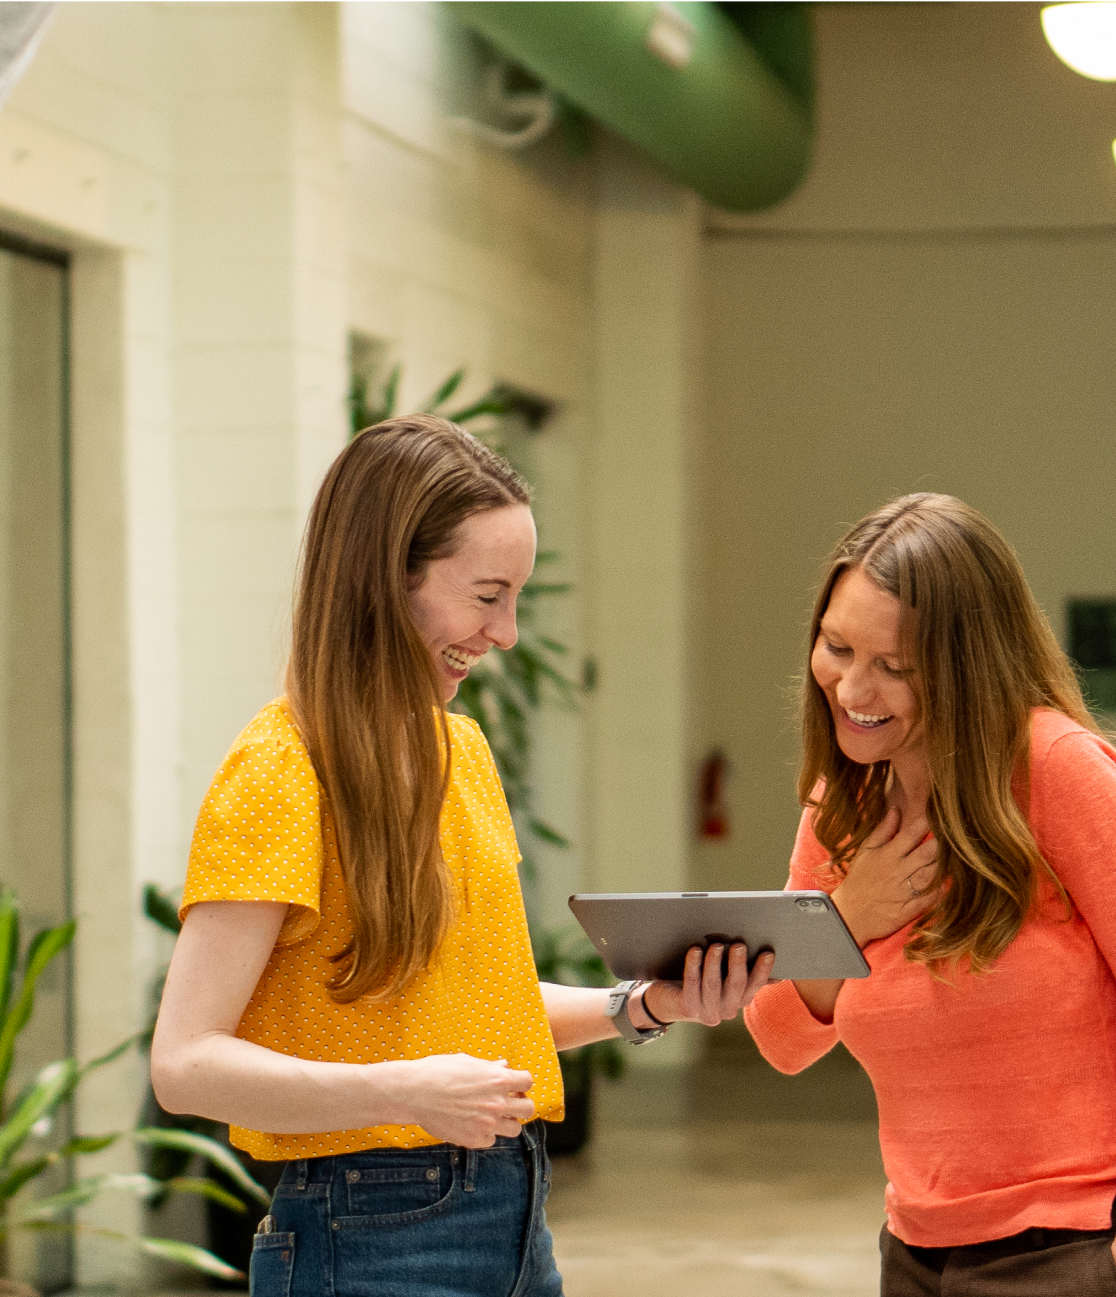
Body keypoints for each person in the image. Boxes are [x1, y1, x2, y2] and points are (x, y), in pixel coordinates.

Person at [151, 413, 771, 1297]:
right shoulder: (279, 772)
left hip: (512, 1212)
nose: (507, 632)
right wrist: (404, 1093)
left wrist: (643, 1003)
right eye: (487, 596)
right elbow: (184, 1063)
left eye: (516, 598)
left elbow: (485, 1012)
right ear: (383, 579)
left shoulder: (461, 753)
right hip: (366, 1228)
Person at [744, 493, 1116, 1297]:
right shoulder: (843, 807)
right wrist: (849, 918)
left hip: (1083, 1241)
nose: (851, 687)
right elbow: (780, 1037)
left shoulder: (1058, 770)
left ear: (964, 666)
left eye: (894, 667)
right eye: (836, 646)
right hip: (919, 1248)